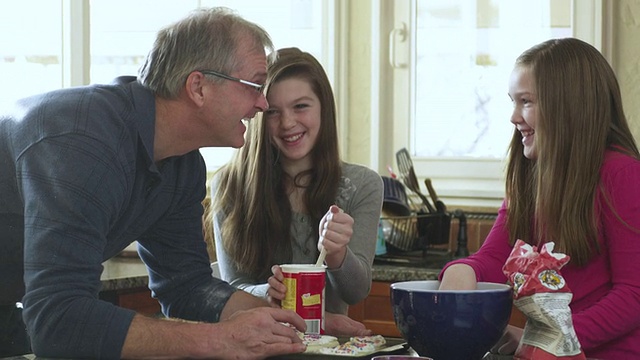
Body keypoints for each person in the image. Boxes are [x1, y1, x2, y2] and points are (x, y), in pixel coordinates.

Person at [1, 7, 321, 359]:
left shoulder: (182, 163)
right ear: (198, 87)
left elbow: (187, 287)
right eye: (254, 85)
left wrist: (294, 325)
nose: (262, 103)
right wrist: (220, 340)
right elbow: (59, 322)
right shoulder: (83, 142)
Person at [438, 37, 640, 359]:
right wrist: (463, 271)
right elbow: (496, 258)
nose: (514, 117)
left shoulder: (623, 175)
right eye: (513, 102)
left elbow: (633, 295)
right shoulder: (531, 176)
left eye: (526, 102)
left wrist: (552, 338)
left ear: (569, 106)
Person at [211, 47, 384, 317]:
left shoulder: (363, 185)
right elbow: (233, 286)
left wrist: (337, 253)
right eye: (273, 112)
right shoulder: (229, 185)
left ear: (324, 109)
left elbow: (356, 292)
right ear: (258, 115)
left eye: (301, 106)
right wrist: (265, 293)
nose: (288, 123)